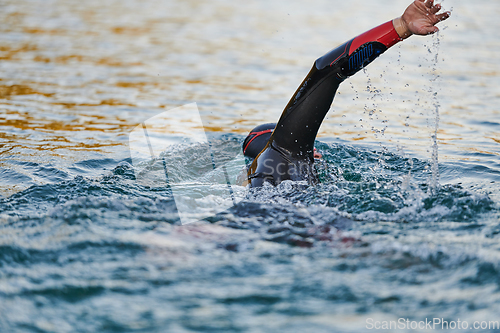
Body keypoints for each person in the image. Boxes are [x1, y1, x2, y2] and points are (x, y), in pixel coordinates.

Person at [243, 0, 450, 187]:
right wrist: (402, 26)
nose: (314, 150)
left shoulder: (262, 177)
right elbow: (326, 70)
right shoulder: (284, 150)